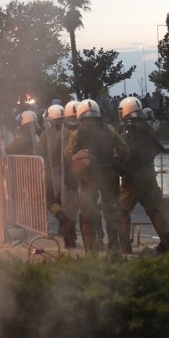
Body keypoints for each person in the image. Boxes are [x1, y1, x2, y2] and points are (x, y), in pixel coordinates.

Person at [64, 99, 128, 253]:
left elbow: (67, 153)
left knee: (87, 213)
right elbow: (124, 149)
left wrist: (77, 165)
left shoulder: (76, 133)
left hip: (88, 177)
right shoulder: (109, 129)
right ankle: (114, 248)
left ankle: (91, 250)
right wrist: (118, 163)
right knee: (111, 211)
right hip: (108, 175)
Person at [117, 97, 169, 254]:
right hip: (148, 173)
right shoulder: (147, 126)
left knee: (122, 210)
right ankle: (167, 242)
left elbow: (124, 151)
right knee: (153, 209)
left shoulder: (129, 129)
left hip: (133, 176)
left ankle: (124, 246)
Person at [37, 104, 78, 248]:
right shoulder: (71, 130)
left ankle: (63, 221)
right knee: (69, 204)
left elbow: (43, 151)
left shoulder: (47, 134)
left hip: (53, 172)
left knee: (51, 201)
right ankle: (68, 231)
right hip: (71, 172)